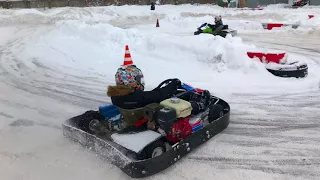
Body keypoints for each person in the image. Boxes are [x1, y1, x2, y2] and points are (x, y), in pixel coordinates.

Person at [107, 64, 211, 119]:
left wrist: (159, 90)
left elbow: (150, 95)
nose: (140, 81)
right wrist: (172, 85)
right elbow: (159, 95)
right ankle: (199, 105)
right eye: (138, 79)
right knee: (175, 106)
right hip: (143, 117)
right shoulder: (137, 96)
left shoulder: (116, 95)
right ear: (130, 82)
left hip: (132, 114)